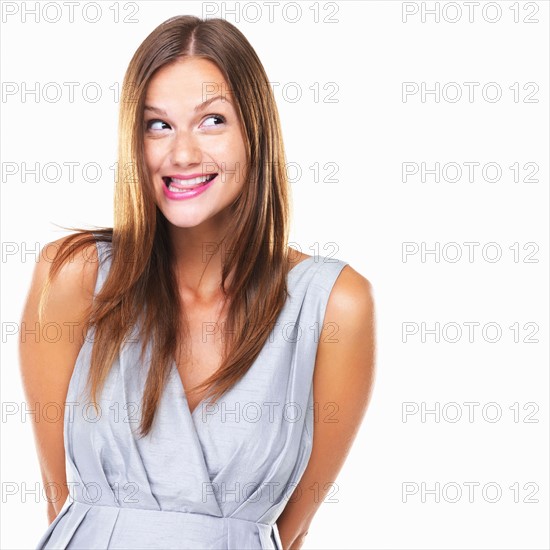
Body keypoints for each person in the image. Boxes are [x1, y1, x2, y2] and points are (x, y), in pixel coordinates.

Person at [20, 15, 376, 550]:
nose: (181, 154)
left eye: (211, 121)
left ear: (255, 132)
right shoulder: (74, 275)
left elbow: (290, 531)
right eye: (157, 124)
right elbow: (60, 504)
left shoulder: (334, 307)